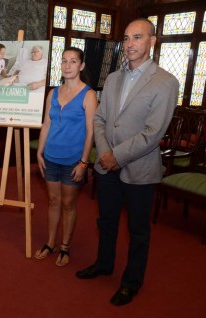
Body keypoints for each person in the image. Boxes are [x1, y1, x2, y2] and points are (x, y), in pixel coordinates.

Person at [75, 18, 179, 306]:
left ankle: (131, 282)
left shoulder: (166, 82)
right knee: (105, 220)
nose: (130, 44)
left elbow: (153, 132)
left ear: (152, 42)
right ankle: (104, 264)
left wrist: (116, 156)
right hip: (107, 166)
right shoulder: (113, 78)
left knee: (138, 231)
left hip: (139, 169)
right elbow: (100, 119)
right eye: (127, 38)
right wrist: (106, 154)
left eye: (138, 37)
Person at [34, 47, 97, 267]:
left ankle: (65, 245)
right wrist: (39, 152)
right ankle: (51, 242)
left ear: (81, 65)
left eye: (72, 61)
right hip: (51, 156)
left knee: (69, 203)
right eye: (64, 61)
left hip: (73, 160)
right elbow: (46, 124)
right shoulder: (53, 93)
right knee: (53, 201)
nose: (67, 65)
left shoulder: (89, 95)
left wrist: (83, 162)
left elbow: (91, 131)